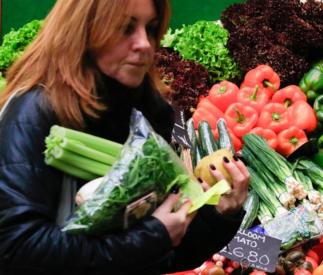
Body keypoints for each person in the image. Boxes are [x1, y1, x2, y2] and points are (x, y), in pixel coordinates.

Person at [0, 0, 250, 274]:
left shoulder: (148, 115)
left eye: (151, 28)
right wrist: (152, 237)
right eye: (124, 28)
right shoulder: (33, 114)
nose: (144, 43)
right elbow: (15, 248)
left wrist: (219, 216)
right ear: (84, 31)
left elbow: (165, 256)